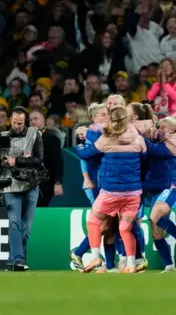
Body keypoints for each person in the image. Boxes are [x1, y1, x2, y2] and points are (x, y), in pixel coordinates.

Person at [76, 106, 146, 274]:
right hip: (133, 192)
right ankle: (131, 264)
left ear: (112, 121)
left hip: (111, 192)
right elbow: (144, 157)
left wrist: (79, 145)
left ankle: (95, 257)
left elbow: (86, 154)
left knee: (93, 221)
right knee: (125, 228)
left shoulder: (107, 139)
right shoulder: (138, 139)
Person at [0, 107, 44, 271]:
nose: (17, 126)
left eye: (20, 123)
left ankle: (12, 260)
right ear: (10, 121)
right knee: (14, 223)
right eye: (14, 123)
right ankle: (19, 260)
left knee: (26, 228)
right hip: (10, 185)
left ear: (25, 122)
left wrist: (16, 161)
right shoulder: (3, 137)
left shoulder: (35, 134)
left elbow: (39, 160)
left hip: (30, 185)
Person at [142, 116, 176, 273]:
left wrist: (137, 134)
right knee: (156, 230)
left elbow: (152, 149)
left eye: (162, 128)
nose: (159, 130)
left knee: (155, 216)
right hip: (158, 190)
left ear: (171, 130)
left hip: (172, 187)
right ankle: (169, 266)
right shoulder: (167, 139)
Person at [69, 103, 113, 271]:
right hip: (95, 183)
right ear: (95, 118)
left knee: (109, 224)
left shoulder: (100, 133)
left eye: (107, 114)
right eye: (103, 114)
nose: (106, 117)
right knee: (103, 223)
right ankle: (79, 253)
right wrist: (86, 178)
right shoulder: (91, 134)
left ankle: (109, 264)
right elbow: (84, 157)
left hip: (105, 183)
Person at [29, 110, 64, 207]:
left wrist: (58, 182)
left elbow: (57, 161)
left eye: (36, 119)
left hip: (46, 182)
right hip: (31, 182)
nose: (33, 121)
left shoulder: (51, 137)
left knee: (39, 206)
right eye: (31, 120)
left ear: (44, 120)